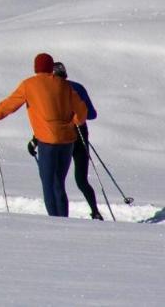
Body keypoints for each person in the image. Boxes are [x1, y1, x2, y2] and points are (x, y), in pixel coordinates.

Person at [0, 52, 89, 217]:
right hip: (67, 141)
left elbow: (8, 106)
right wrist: (73, 121)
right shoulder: (65, 85)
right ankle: (64, 220)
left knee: (48, 184)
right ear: (50, 67)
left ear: (35, 67)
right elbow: (82, 112)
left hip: (47, 142)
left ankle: (55, 221)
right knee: (59, 184)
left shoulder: (29, 84)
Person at [43, 62, 102, 219]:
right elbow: (92, 114)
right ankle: (95, 211)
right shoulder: (78, 87)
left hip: (61, 138)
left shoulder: (51, 90)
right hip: (80, 134)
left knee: (57, 181)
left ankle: (61, 217)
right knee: (81, 180)